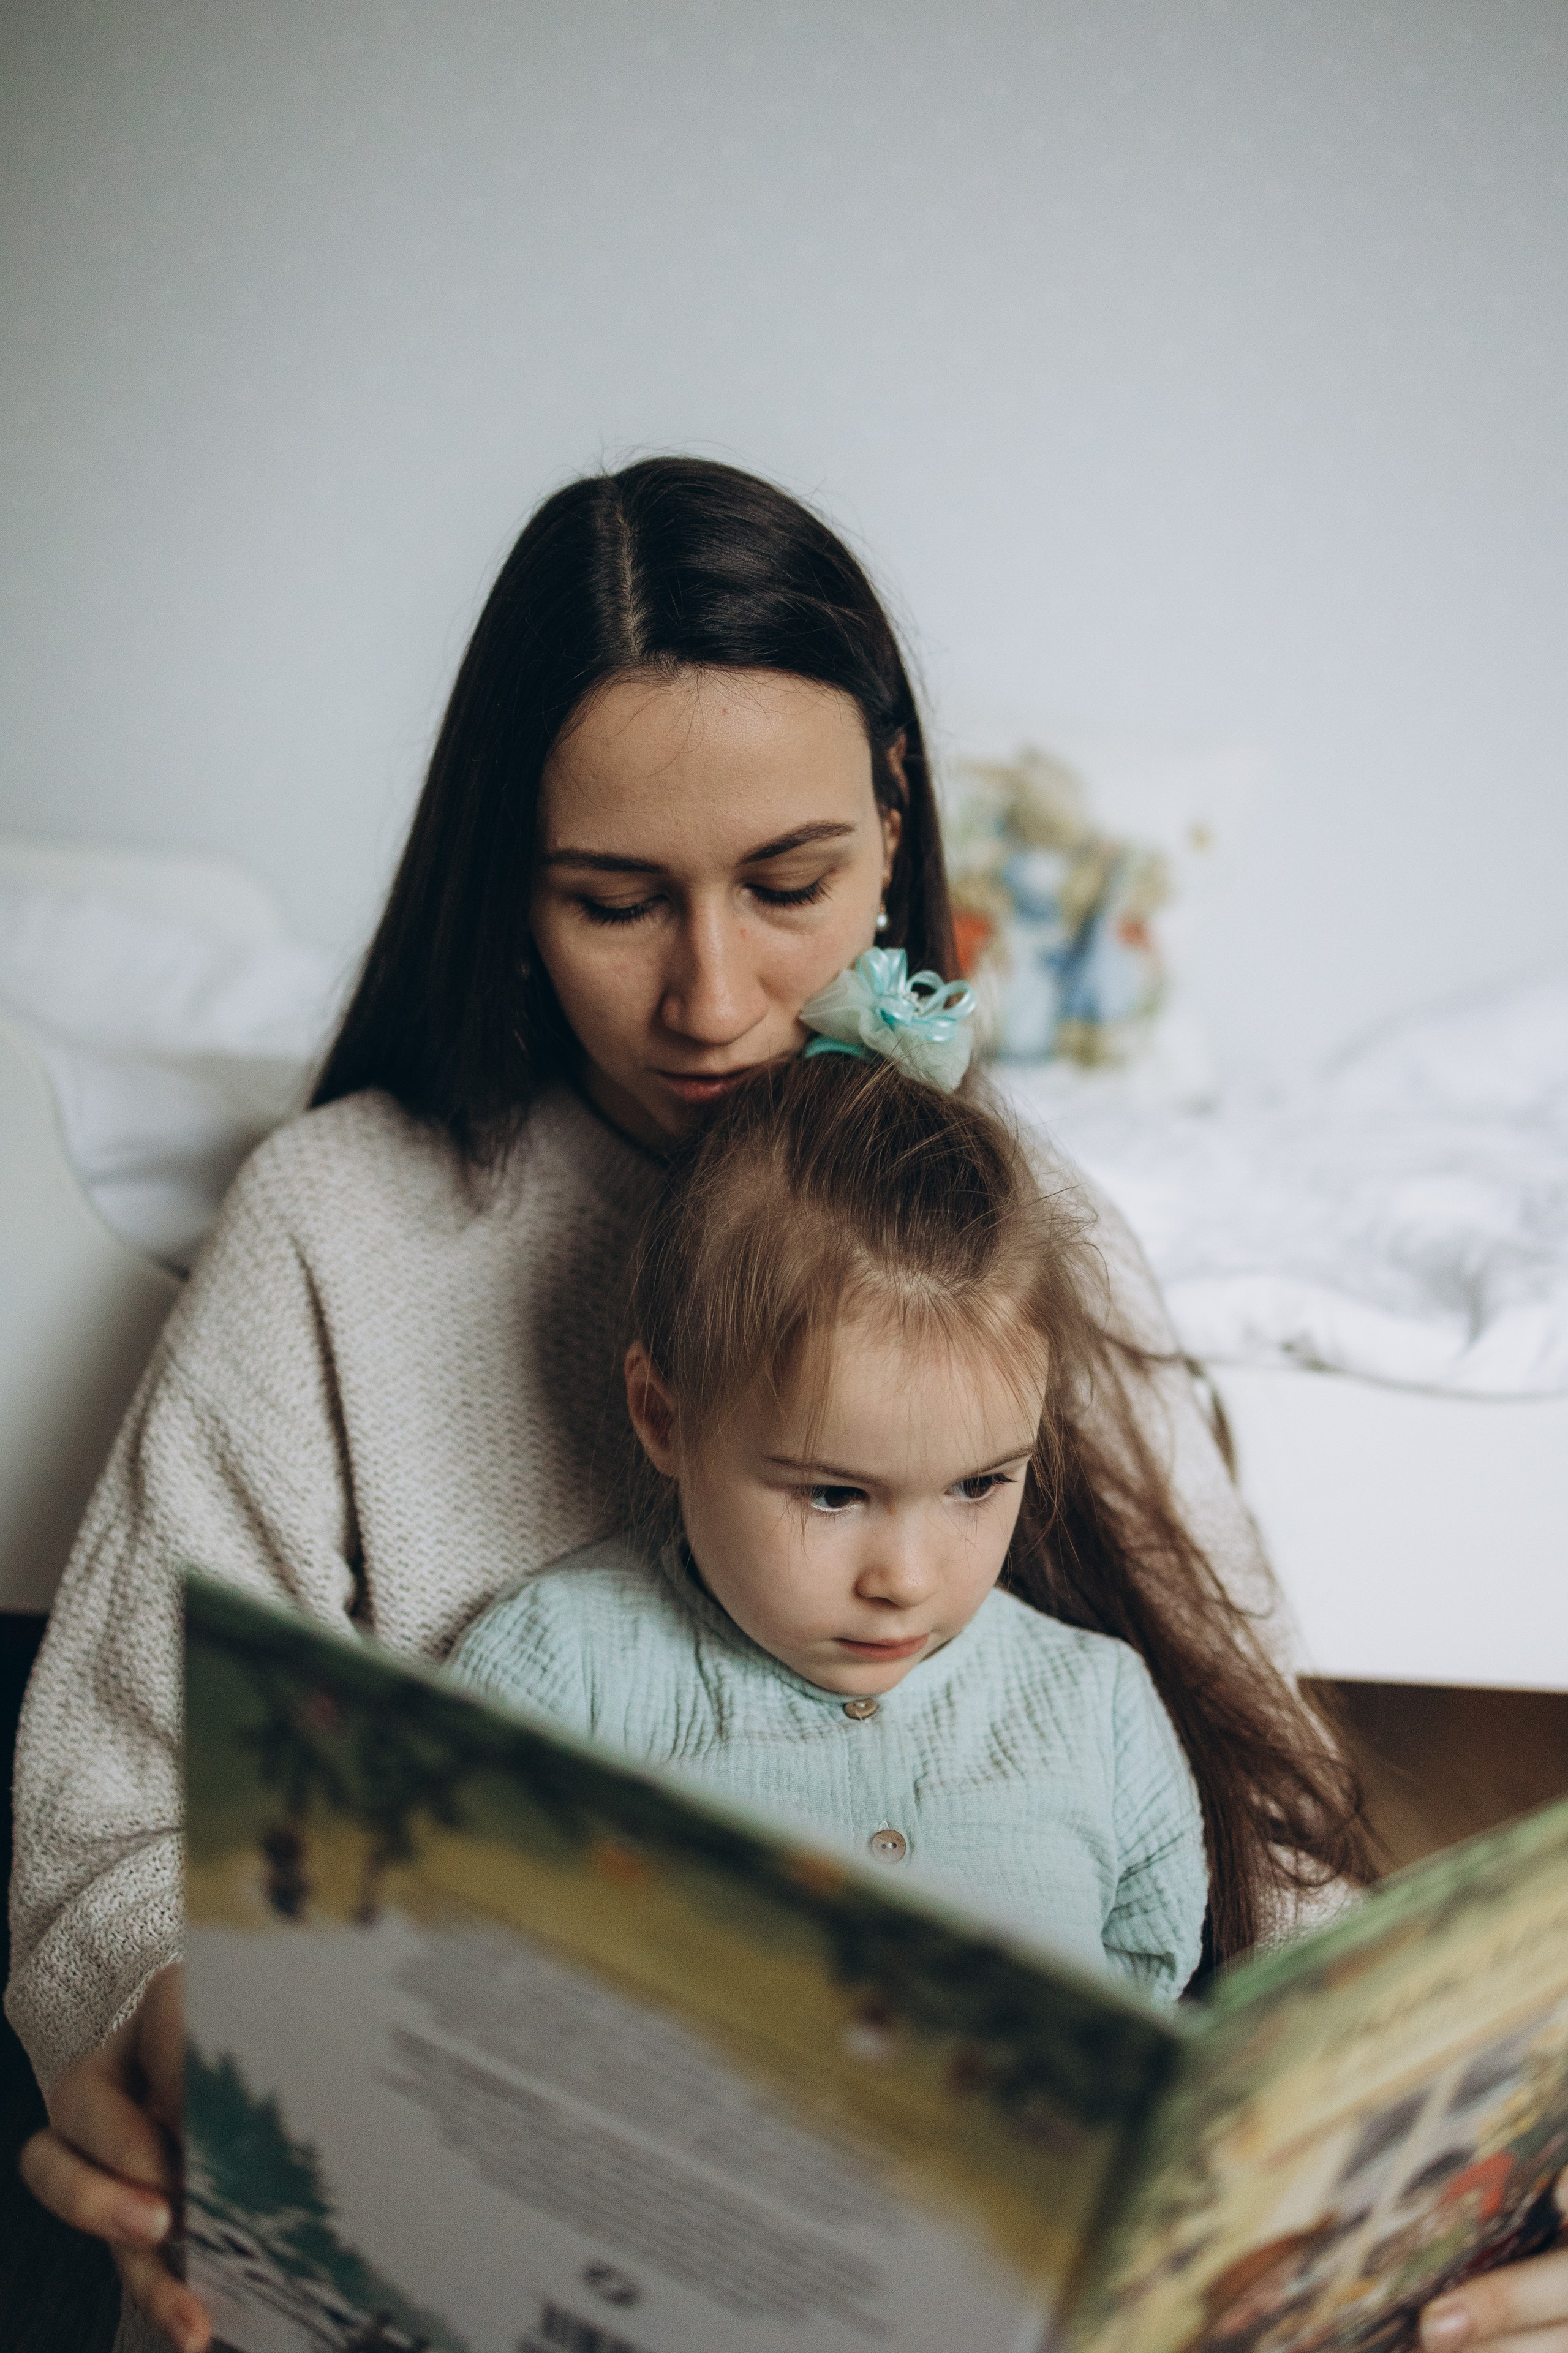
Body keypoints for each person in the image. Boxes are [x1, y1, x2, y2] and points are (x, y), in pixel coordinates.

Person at [7, 458, 1562, 2353]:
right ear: (509, 875)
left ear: (897, 821)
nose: (716, 1000)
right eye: (613, 902)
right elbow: (111, 1806)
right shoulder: (344, 1230)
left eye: (792, 885)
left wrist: (1457, 2190)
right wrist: (167, 2009)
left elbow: (1274, 1837)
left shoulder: (1035, 1232)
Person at [450, 1037, 1225, 1996]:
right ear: (665, 1416)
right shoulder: (560, 1670)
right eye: (834, 1494)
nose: (905, 1577)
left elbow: (1151, 1987)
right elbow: (454, 1961)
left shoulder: (1097, 1708)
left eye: (978, 1485)